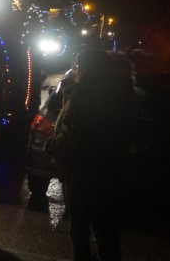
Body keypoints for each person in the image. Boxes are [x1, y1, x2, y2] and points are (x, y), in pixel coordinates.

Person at [44, 48, 134, 261]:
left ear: (84, 68)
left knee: (80, 231)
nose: (75, 71)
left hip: (81, 175)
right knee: (106, 232)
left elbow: (72, 139)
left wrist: (51, 140)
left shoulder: (82, 96)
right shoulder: (120, 95)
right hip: (109, 173)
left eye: (77, 66)